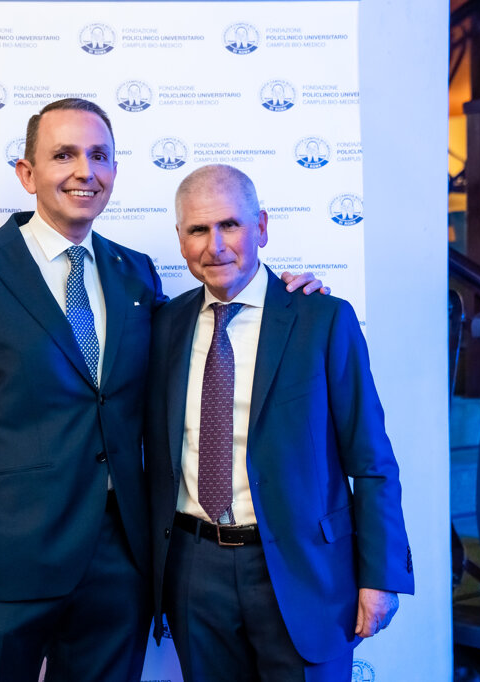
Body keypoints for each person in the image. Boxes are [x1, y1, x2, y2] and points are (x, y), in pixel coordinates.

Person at [0, 100, 323, 682]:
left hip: (118, 565)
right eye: (64, 155)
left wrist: (284, 297)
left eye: (99, 155)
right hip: (5, 567)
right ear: (27, 173)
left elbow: (202, 335)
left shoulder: (136, 273)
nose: (85, 170)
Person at [145, 164, 414, 681]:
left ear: (262, 227)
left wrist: (381, 575)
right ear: (180, 240)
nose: (215, 246)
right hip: (194, 570)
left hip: (305, 571)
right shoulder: (163, 326)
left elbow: (372, 459)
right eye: (198, 230)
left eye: (230, 225)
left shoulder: (322, 319)